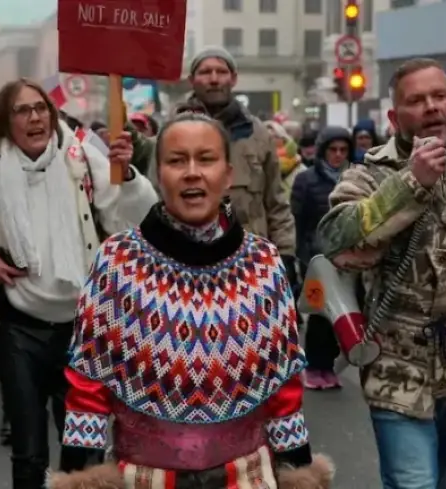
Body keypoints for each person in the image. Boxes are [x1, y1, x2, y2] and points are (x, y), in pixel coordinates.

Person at [49, 113, 333, 489]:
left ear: (227, 175)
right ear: (158, 174)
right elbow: (89, 384)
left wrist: (298, 471)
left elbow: (282, 386)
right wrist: (79, 474)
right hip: (145, 479)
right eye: (177, 160)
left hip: (246, 478)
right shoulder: (117, 262)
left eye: (206, 159)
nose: (192, 173)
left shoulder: (263, 263)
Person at [0, 78, 157, 489]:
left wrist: (127, 175)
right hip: (19, 331)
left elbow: (138, 220)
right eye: (22, 110)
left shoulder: (83, 157)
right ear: (6, 123)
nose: (35, 117)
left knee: (84, 454)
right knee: (28, 454)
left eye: (41, 107)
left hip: (83, 332)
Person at [317, 58, 446, 489]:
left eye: (439, 96)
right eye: (416, 100)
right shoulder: (370, 174)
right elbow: (334, 236)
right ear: (395, 117)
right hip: (399, 376)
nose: (431, 106)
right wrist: (411, 182)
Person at [129, 46, 297, 289]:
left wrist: (285, 254)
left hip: (250, 269)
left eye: (221, 71)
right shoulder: (171, 134)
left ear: (234, 78)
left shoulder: (258, 135)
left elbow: (276, 203)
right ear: (192, 80)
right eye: (205, 72)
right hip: (181, 267)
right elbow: (153, 197)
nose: (214, 79)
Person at [291, 127, 355, 390]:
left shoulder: (355, 178)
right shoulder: (305, 180)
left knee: (339, 313)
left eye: (343, 150)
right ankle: (313, 366)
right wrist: (303, 256)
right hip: (316, 257)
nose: (338, 155)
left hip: (348, 259)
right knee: (318, 314)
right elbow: (298, 221)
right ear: (323, 151)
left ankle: (327, 366)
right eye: (333, 149)